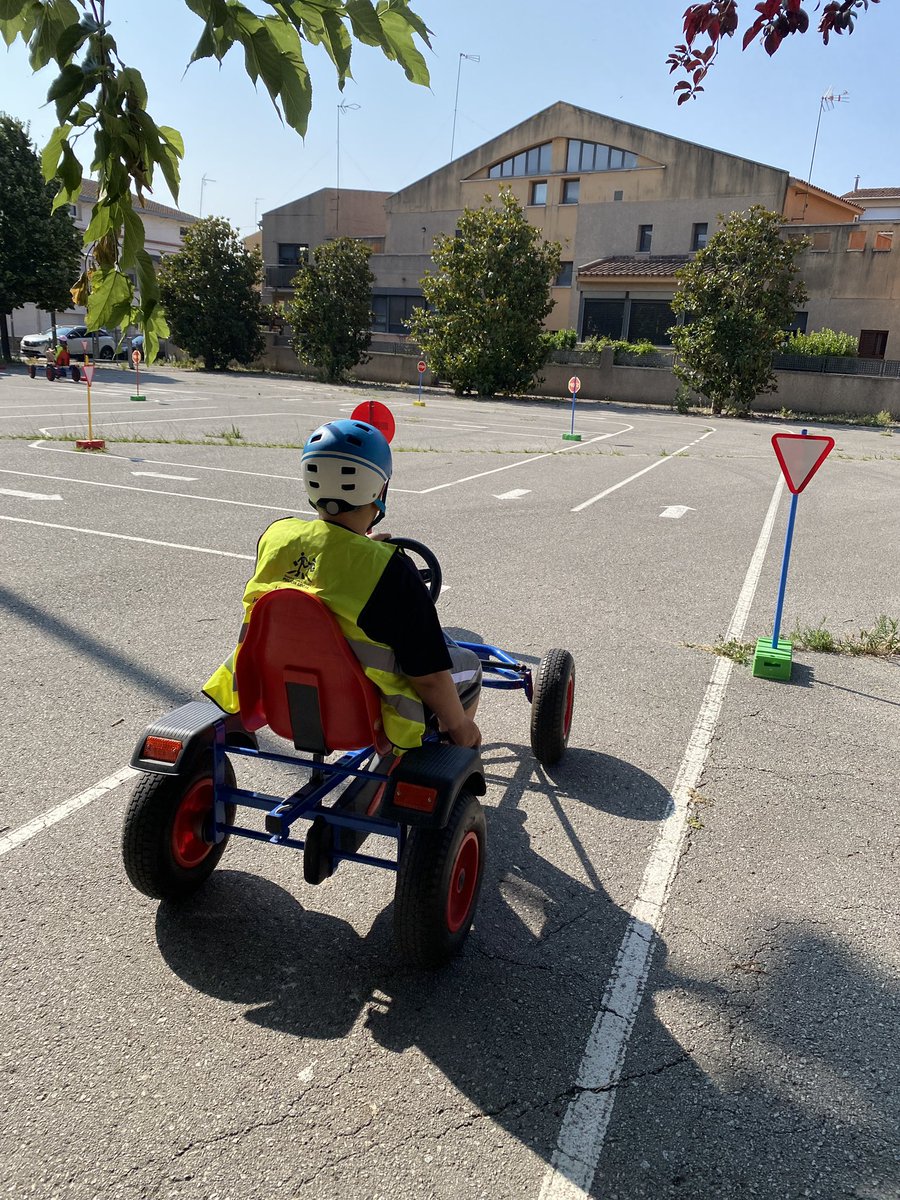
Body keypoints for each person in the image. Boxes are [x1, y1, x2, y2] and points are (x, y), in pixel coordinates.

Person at [204, 419, 482, 752]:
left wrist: (359, 546)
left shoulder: (275, 538)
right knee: (469, 665)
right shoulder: (391, 569)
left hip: (281, 700)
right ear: (380, 490)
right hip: (365, 715)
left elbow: (322, 575)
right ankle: (436, 754)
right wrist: (462, 727)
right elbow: (430, 677)